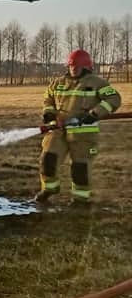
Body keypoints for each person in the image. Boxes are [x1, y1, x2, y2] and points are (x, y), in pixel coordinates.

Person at [35, 48, 121, 205]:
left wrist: (95, 114)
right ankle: (49, 189)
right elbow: (48, 99)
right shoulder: (58, 83)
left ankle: (80, 199)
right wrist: (49, 113)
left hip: (83, 134)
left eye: (77, 66)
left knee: (80, 167)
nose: (74, 69)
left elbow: (114, 99)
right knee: (48, 159)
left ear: (86, 67)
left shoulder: (97, 83)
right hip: (57, 130)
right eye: (71, 66)